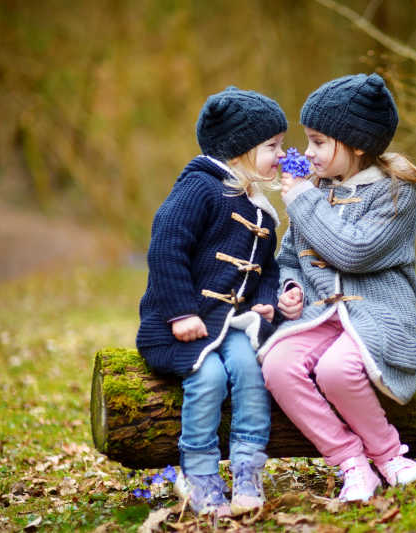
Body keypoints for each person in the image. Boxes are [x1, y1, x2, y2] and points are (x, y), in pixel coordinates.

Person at [259, 73, 416, 502]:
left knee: (336, 370)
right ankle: (351, 462)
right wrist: (292, 286)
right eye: (308, 141)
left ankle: (390, 455)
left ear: (355, 144)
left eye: (318, 142)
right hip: (323, 313)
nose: (309, 152)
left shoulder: (397, 193)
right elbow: (290, 257)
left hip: (376, 313)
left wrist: (300, 200)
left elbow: (353, 251)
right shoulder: (316, 189)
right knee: (278, 365)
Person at [136, 86, 287, 516]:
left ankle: (247, 469)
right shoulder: (200, 189)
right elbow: (166, 248)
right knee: (209, 380)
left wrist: (266, 301)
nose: (280, 155)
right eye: (271, 146)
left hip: (230, 322)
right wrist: (180, 312)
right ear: (239, 150)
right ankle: (199, 473)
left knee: (250, 370)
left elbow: (267, 267)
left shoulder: (255, 204)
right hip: (182, 322)